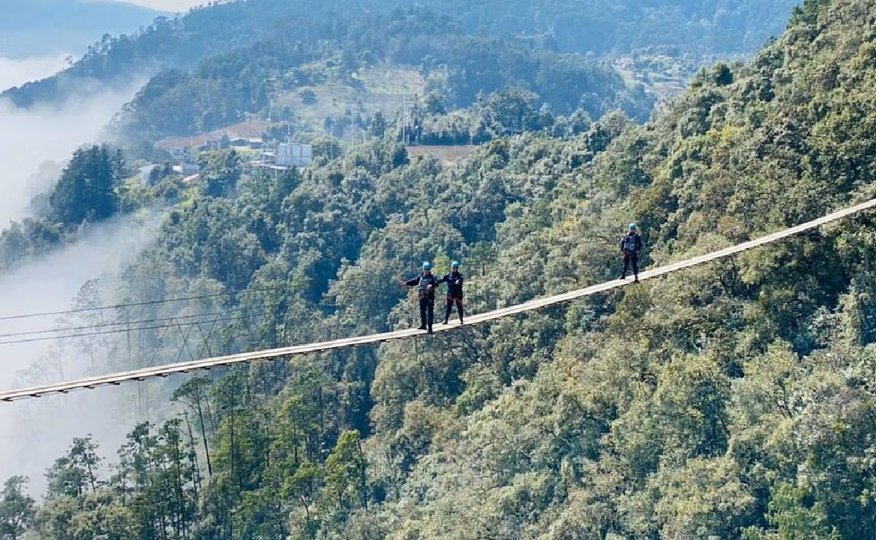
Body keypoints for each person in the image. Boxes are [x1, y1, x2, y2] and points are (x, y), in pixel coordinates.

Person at [399, 262, 441, 333]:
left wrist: (431, 285)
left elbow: (437, 282)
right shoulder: (421, 276)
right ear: (423, 270)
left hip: (429, 297)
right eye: (425, 270)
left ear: (429, 270)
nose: (426, 271)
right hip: (422, 296)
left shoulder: (432, 277)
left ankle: (430, 328)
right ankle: (423, 325)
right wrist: (406, 283)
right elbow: (415, 281)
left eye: (427, 270)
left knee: (430, 312)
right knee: (422, 311)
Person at [438, 260, 464, 325]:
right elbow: (441, 280)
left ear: (457, 268)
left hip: (458, 294)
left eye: (455, 268)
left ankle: (461, 320)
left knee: (459, 307)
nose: (453, 269)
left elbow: (461, 280)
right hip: (450, 294)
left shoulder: (459, 275)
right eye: (452, 267)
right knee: (448, 308)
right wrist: (435, 282)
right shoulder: (448, 275)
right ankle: (446, 320)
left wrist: (458, 281)